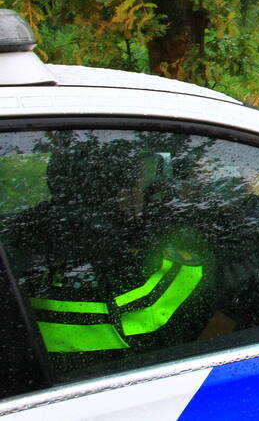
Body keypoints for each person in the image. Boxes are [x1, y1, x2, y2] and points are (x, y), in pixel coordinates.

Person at [14, 134, 213, 372]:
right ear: (121, 193)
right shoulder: (115, 258)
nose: (144, 193)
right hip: (95, 378)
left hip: (31, 372)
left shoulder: (21, 232)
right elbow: (155, 311)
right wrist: (209, 258)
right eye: (141, 183)